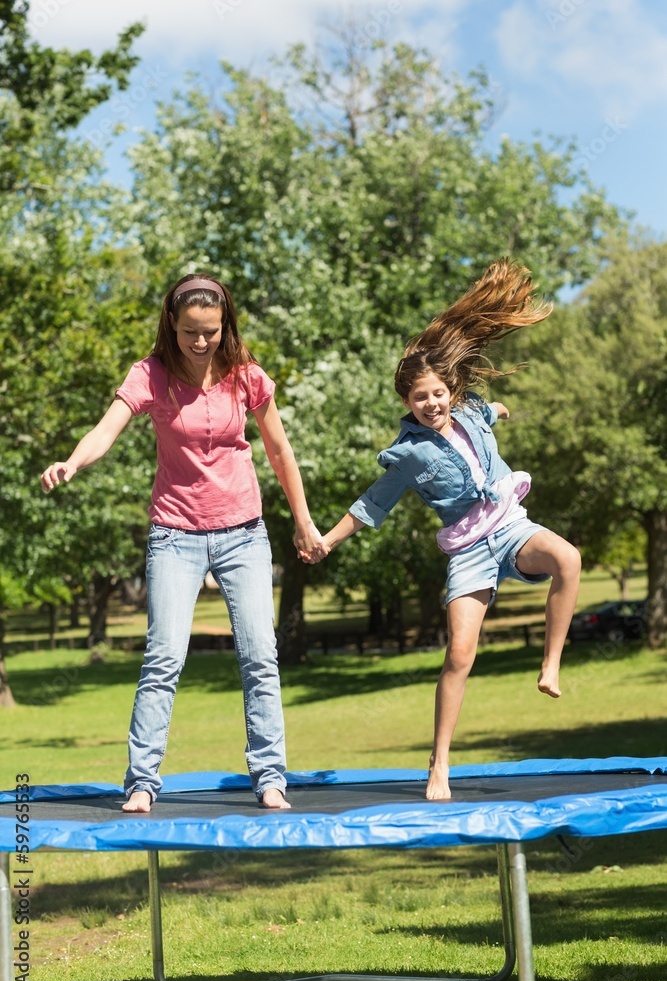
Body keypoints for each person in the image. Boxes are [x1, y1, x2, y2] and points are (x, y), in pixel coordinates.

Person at [41, 274, 326, 812]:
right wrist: (72, 462)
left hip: (244, 533)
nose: (200, 342)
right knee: (164, 657)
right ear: (172, 324)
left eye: (211, 332)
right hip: (175, 534)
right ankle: (142, 782)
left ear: (226, 326)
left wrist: (303, 522)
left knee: (260, 656)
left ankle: (270, 777)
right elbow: (107, 429)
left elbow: (280, 453)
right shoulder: (150, 375)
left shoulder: (247, 377)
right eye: (190, 331)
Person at [313, 259, 581, 801]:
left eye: (438, 393)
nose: (432, 403)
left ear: (449, 389)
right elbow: (371, 504)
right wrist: (327, 539)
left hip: (510, 526)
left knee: (569, 559)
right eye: (420, 398)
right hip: (468, 549)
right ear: (407, 403)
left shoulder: (470, 410)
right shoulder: (407, 454)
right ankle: (439, 764)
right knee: (460, 653)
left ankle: (550, 664)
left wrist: (500, 411)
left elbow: (491, 409)